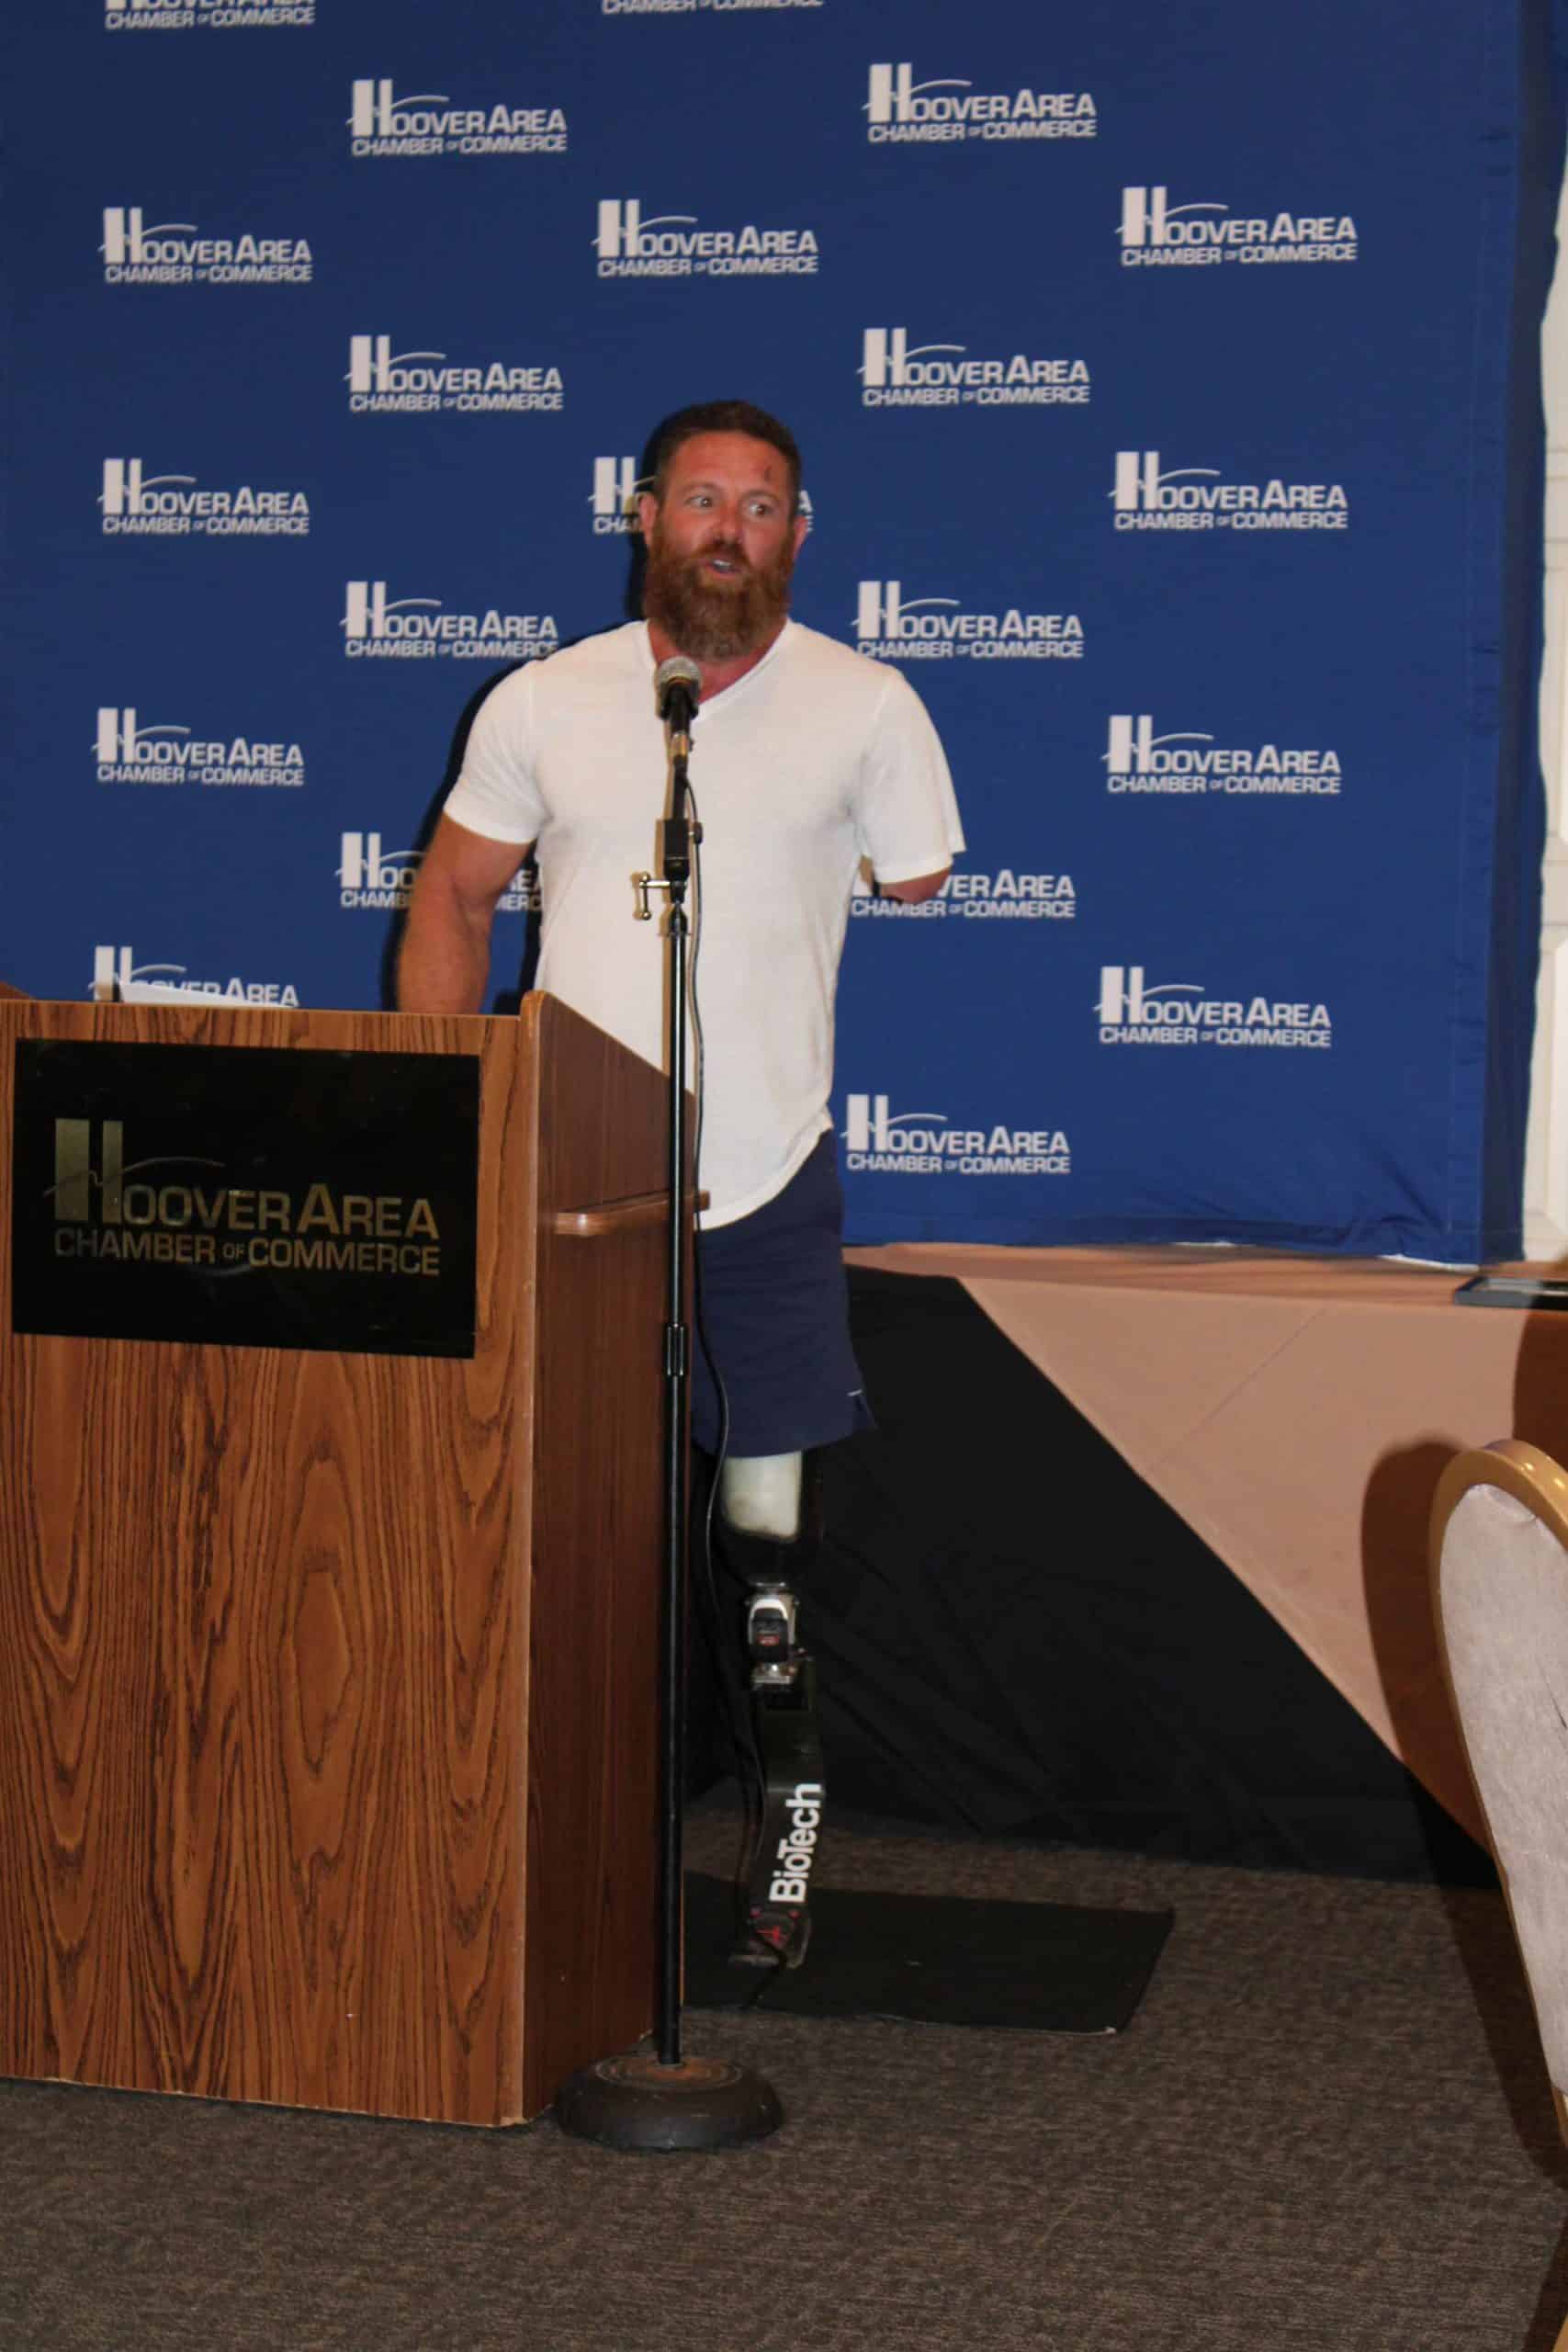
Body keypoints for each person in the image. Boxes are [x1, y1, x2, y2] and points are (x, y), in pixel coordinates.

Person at [397, 398, 962, 1564]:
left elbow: (918, 876)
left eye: (760, 507)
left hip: (766, 1175)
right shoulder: (542, 698)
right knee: (564, 1511)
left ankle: (760, 1682)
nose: (728, 530)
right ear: (646, 518)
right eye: (702, 501)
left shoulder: (869, 703)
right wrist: (445, 1102)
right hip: (571, 1178)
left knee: (766, 1533)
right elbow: (453, 892)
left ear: (797, 534)